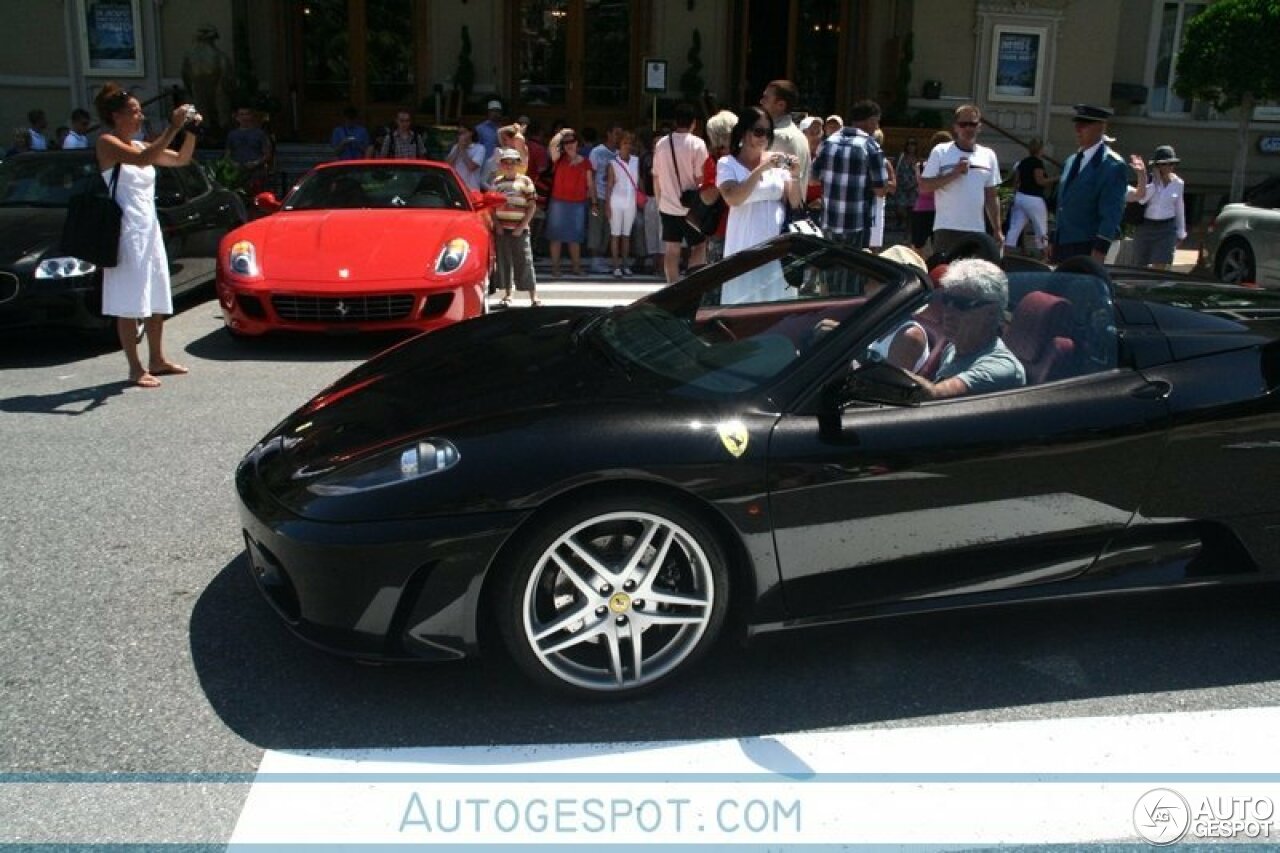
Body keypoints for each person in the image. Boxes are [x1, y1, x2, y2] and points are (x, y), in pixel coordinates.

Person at [93, 82, 199, 389]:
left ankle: (157, 358)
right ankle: (134, 367)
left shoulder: (141, 146)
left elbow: (180, 160)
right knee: (129, 300)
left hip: (148, 227)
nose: (140, 117)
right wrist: (172, 127)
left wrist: (190, 131)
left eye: (140, 111)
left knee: (155, 294)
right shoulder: (107, 143)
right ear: (116, 115)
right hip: (125, 231)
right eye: (135, 112)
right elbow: (141, 161)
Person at [716, 105, 803, 304]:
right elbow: (734, 198)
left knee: (777, 303)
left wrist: (795, 175)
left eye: (768, 132)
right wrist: (761, 169)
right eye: (759, 131)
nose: (764, 137)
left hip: (777, 247)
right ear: (744, 133)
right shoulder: (727, 164)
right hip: (745, 244)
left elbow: (794, 201)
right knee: (744, 303)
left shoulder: (777, 163)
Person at [906, 258, 1025, 399]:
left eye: (961, 304)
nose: (948, 311)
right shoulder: (953, 349)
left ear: (991, 313)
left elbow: (932, 396)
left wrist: (881, 370)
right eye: (946, 299)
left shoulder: (1001, 368)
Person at [919, 104, 1002, 257]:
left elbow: (991, 195)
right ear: (955, 127)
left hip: (977, 229)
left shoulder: (988, 155)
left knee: (973, 277)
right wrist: (954, 173)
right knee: (945, 275)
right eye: (963, 124)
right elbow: (924, 187)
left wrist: (997, 228)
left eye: (973, 124)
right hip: (947, 228)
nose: (968, 128)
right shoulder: (941, 151)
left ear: (979, 127)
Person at [1050, 104, 1129, 263]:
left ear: (1101, 127)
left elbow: (1111, 214)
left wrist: (1099, 250)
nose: (1078, 129)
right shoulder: (1071, 161)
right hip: (1063, 245)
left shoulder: (1112, 165)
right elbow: (1063, 204)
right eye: (1077, 124)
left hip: (1087, 246)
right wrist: (1054, 239)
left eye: (1084, 125)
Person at [809, 99, 887, 254]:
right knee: (853, 270)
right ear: (871, 121)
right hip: (856, 222)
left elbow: (812, 180)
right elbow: (881, 190)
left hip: (829, 219)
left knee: (830, 267)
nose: (877, 126)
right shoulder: (871, 146)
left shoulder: (828, 143)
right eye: (876, 122)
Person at [652, 103, 709, 283]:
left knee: (671, 249)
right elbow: (702, 178)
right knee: (699, 246)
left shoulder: (661, 143)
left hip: (667, 205)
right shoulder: (697, 144)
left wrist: (659, 201)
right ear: (693, 123)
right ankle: (693, 285)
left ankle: (672, 286)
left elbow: (656, 176)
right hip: (691, 207)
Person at [490, 148, 539, 307]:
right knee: (504, 261)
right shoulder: (497, 182)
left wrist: (522, 226)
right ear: (501, 165)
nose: (509, 165)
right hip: (502, 228)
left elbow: (531, 206)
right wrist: (497, 225)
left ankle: (533, 296)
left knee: (525, 260)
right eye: (506, 162)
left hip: (520, 229)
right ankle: (508, 295)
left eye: (513, 162)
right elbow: (491, 207)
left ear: (518, 164)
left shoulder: (525, 181)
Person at [1128, 145, 1186, 270]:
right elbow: (1142, 200)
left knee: (1161, 262)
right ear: (1157, 166)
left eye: (1171, 163)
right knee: (1139, 263)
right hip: (1146, 226)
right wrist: (1156, 183)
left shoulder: (1178, 183)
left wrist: (1181, 232)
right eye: (1165, 164)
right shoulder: (1148, 181)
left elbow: (1179, 207)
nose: (1169, 167)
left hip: (1166, 228)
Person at [545, 128, 593, 277]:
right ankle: (555, 268)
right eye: (565, 142)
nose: (569, 144)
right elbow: (552, 147)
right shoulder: (558, 158)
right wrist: (561, 133)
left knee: (575, 237)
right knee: (556, 235)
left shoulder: (586, 161)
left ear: (577, 142)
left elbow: (590, 184)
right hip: (558, 201)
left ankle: (577, 267)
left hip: (578, 202)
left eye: (572, 141)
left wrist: (594, 202)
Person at [1004, 138, 1056, 257]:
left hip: (1020, 196)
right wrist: (1057, 178)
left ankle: (1004, 253)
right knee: (1041, 227)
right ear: (1041, 149)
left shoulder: (1022, 162)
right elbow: (1040, 181)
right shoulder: (1037, 163)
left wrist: (1015, 195)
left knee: (1015, 227)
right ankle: (1045, 256)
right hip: (1034, 198)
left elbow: (1016, 181)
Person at [700, 109, 738, 264]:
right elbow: (708, 197)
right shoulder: (744, 157)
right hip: (734, 227)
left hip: (725, 229)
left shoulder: (715, 160)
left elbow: (707, 198)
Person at [760, 80, 810, 188]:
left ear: (781, 105)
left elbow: (774, 181)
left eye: (766, 98)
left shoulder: (779, 137)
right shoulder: (800, 135)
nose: (761, 102)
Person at [604, 130, 640, 277]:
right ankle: (616, 266)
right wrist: (607, 204)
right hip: (616, 201)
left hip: (631, 201)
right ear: (619, 145)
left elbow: (640, 180)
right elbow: (609, 185)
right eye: (625, 143)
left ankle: (625, 265)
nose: (628, 146)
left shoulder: (636, 160)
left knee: (626, 235)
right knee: (615, 235)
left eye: (630, 143)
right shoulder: (613, 163)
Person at [910, 131, 951, 255]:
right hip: (933, 209)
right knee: (925, 246)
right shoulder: (923, 165)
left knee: (921, 245)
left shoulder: (922, 165)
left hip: (930, 209)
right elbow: (923, 186)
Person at [225, 106, 273, 192]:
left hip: (256, 172)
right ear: (237, 118)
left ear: (251, 116)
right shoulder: (232, 135)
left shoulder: (260, 134)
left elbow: (267, 154)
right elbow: (227, 154)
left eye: (247, 114)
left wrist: (255, 163)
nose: (244, 117)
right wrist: (233, 164)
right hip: (238, 173)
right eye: (241, 114)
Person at [446, 125, 486, 192]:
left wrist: (462, 149)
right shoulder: (456, 147)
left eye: (464, 133)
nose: (461, 136)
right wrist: (458, 148)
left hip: (472, 189)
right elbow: (447, 164)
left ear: (471, 133)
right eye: (459, 134)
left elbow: (472, 167)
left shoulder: (479, 148)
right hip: (456, 188)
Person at [893, 137, 920, 231]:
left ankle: (908, 230)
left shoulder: (918, 159)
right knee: (900, 208)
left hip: (913, 188)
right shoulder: (901, 157)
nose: (911, 146)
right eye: (909, 144)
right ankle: (900, 222)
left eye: (913, 144)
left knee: (912, 210)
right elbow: (895, 169)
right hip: (901, 187)